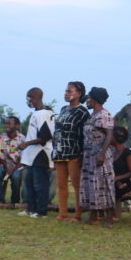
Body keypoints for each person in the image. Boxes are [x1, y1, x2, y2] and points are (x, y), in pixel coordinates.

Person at [51, 81, 90, 222]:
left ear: (79, 94)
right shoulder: (63, 109)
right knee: (61, 185)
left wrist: (82, 153)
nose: (66, 94)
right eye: (66, 91)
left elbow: (84, 134)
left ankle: (78, 215)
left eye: (69, 91)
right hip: (60, 152)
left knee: (77, 185)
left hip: (74, 153)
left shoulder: (83, 112)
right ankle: (62, 214)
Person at [79, 87, 116, 227]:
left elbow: (109, 134)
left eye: (88, 98)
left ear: (95, 100)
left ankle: (110, 219)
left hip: (100, 154)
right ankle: (93, 217)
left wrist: (102, 153)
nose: (86, 101)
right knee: (91, 184)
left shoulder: (104, 115)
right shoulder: (92, 115)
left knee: (104, 184)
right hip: (89, 155)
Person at [17, 87, 54, 218]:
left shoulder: (43, 113)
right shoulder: (36, 113)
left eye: (30, 97)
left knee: (40, 185)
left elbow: (45, 137)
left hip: (41, 153)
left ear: (36, 97)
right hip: (32, 155)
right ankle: (31, 209)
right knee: (29, 184)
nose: (28, 101)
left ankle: (42, 212)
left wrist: (26, 143)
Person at [0, 116, 25, 205]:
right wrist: (7, 167)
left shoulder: (23, 139)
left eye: (9, 124)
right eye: (6, 123)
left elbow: (23, 159)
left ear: (17, 126)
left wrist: (13, 169)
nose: (6, 126)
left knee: (16, 177)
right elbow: (1, 155)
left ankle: (15, 201)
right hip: (4, 165)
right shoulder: (1, 138)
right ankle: (0, 199)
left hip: (18, 166)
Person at [112, 126, 131, 216]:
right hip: (115, 181)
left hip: (125, 183)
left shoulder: (128, 153)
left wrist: (117, 178)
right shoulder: (112, 152)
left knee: (114, 186)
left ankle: (112, 214)